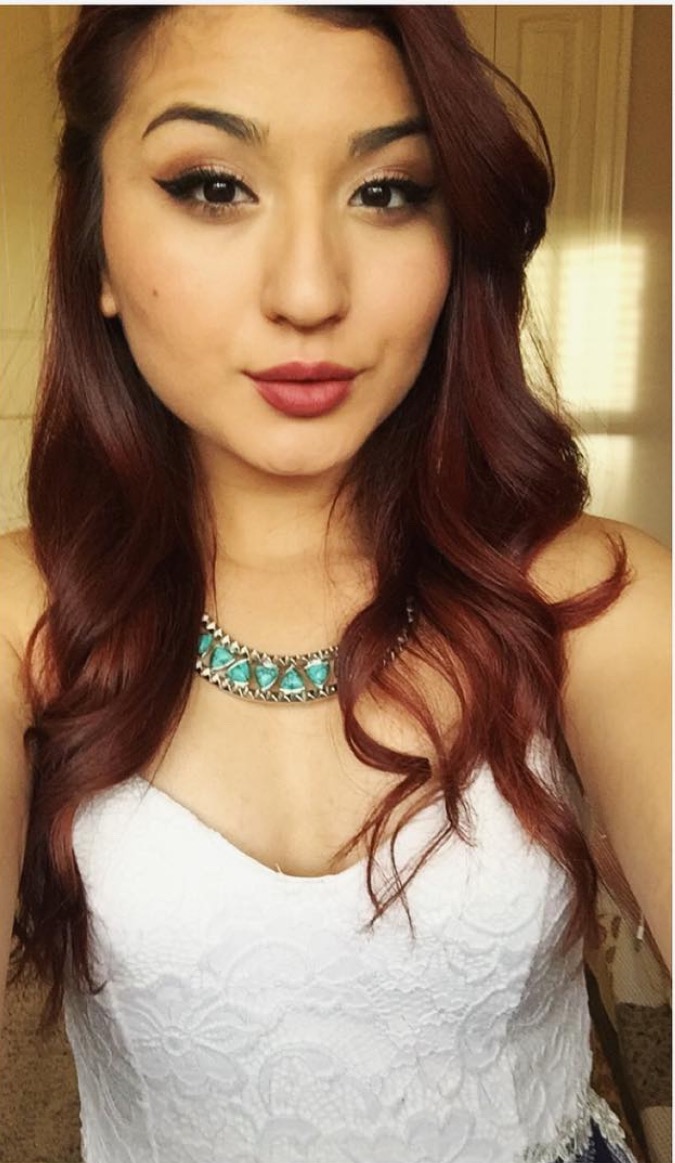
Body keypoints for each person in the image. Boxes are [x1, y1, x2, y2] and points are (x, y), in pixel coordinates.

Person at [0, 6, 669, 1162]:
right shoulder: (22, 617)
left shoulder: (596, 599)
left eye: (387, 190)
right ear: (94, 245)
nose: (309, 291)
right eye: (214, 186)